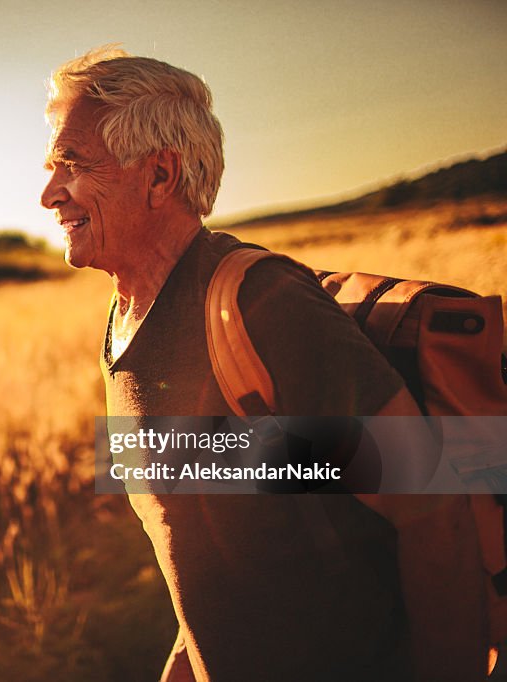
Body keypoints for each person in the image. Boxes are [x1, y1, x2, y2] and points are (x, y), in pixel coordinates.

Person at [40, 46, 487, 681]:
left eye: (73, 165)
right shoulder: (125, 322)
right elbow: (212, 537)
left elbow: (429, 512)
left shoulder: (260, 304)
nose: (48, 194)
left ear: (159, 176)